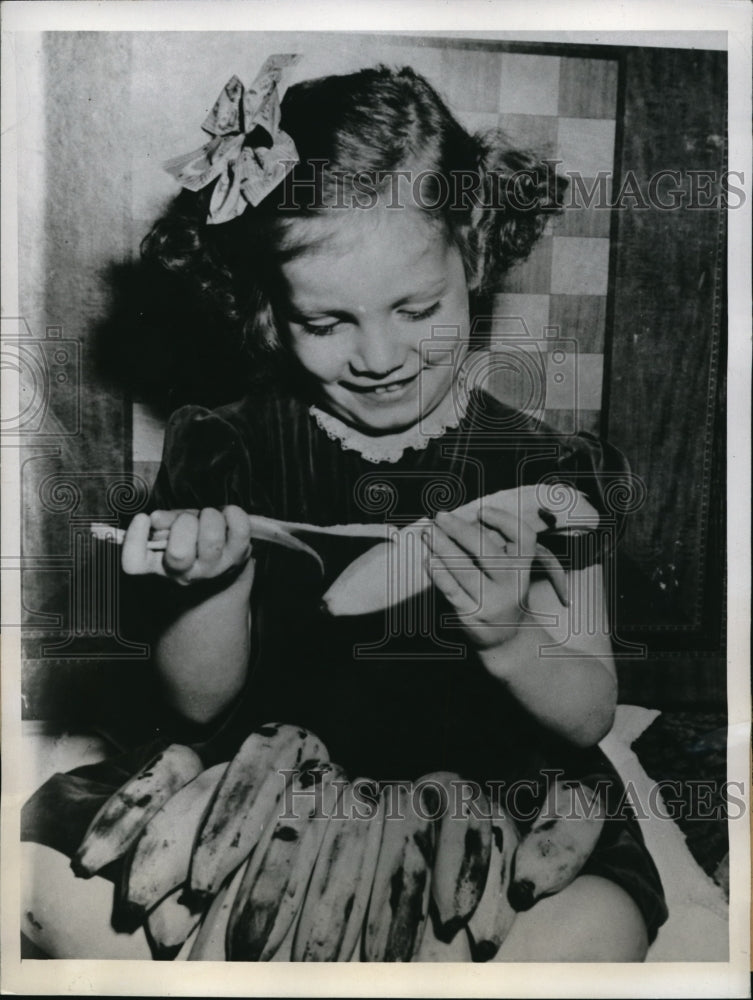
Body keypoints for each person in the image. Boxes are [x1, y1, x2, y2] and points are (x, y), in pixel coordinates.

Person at [21, 60, 667, 961]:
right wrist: (209, 586)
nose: (378, 355)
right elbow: (196, 702)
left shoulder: (547, 470)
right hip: (251, 779)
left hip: (483, 791)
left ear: (472, 253)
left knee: (594, 933)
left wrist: (515, 636)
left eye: (416, 309)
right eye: (325, 323)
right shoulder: (225, 447)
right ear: (265, 311)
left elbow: (589, 709)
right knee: (49, 894)